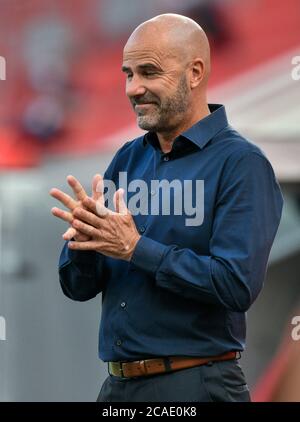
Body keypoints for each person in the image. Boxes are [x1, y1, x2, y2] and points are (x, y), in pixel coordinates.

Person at [50, 13, 283, 402]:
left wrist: (135, 249)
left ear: (194, 73)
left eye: (148, 72)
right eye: (128, 74)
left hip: (196, 386)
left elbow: (236, 285)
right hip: (117, 388)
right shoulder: (127, 159)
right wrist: (84, 244)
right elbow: (78, 288)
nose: (133, 88)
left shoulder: (241, 163)